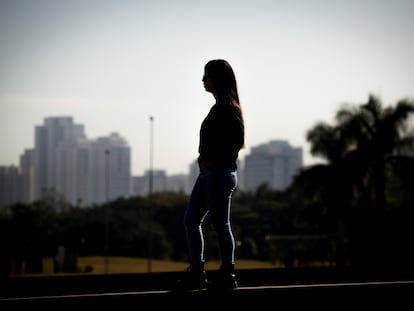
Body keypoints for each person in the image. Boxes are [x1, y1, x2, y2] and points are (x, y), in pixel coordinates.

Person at [175, 59, 245, 291]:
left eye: (206, 75)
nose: (203, 80)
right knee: (191, 220)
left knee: (220, 224)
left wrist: (212, 162)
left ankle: (227, 274)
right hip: (210, 174)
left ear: (217, 79)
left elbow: (234, 144)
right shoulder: (220, 107)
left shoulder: (227, 109)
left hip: (218, 174)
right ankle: (198, 272)